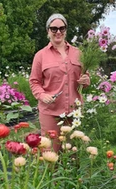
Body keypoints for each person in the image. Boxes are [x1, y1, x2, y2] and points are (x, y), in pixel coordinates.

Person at [29, 13, 90, 151]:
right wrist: (42, 95)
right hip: (51, 112)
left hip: (74, 111)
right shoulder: (40, 56)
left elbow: (85, 78)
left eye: (62, 28)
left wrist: (86, 80)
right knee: (51, 152)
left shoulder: (78, 53)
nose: (58, 32)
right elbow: (34, 81)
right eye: (54, 28)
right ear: (48, 31)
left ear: (66, 30)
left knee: (73, 153)